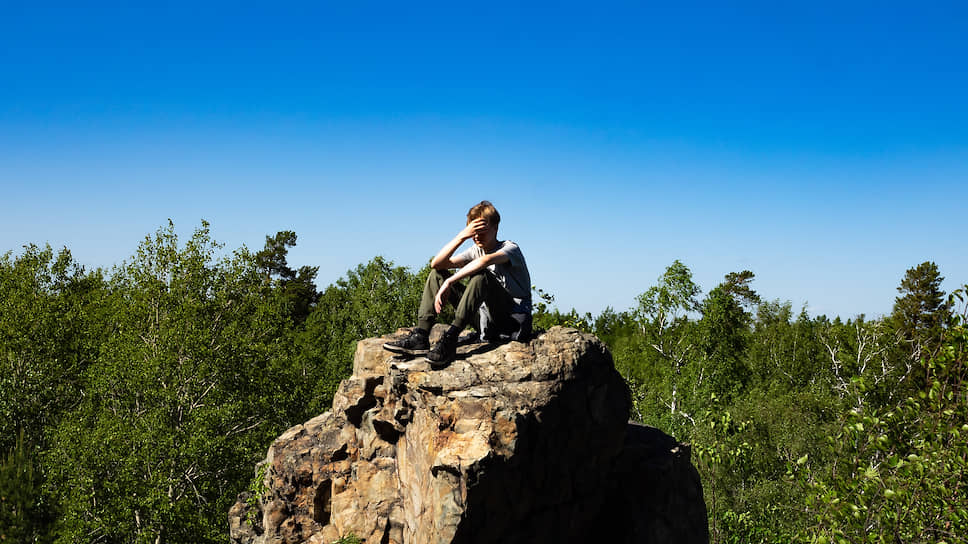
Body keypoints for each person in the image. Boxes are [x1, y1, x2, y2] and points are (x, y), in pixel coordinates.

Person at [383, 200, 532, 368]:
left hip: (510, 321)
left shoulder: (510, 248)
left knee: (481, 275)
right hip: (485, 321)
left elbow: (485, 261)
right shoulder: (475, 250)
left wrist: (451, 281)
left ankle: (451, 338)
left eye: (481, 230)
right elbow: (437, 263)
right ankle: (421, 335)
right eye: (473, 231)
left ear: (495, 227)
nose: (476, 236)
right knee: (437, 274)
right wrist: (462, 236)